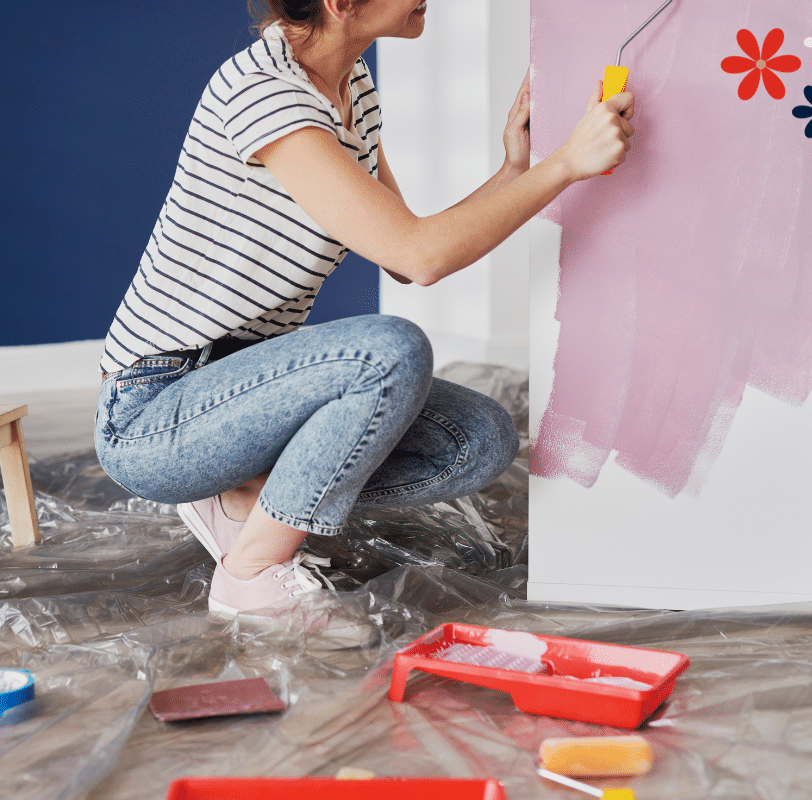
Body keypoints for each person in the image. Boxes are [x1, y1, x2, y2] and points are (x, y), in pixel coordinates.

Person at [95, 0, 635, 642]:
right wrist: (566, 165)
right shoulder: (266, 96)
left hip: (248, 389)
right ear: (340, 3)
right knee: (389, 350)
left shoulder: (350, 86)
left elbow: (404, 251)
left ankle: (246, 492)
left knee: (481, 438)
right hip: (157, 410)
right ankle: (250, 573)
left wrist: (516, 169)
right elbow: (419, 256)